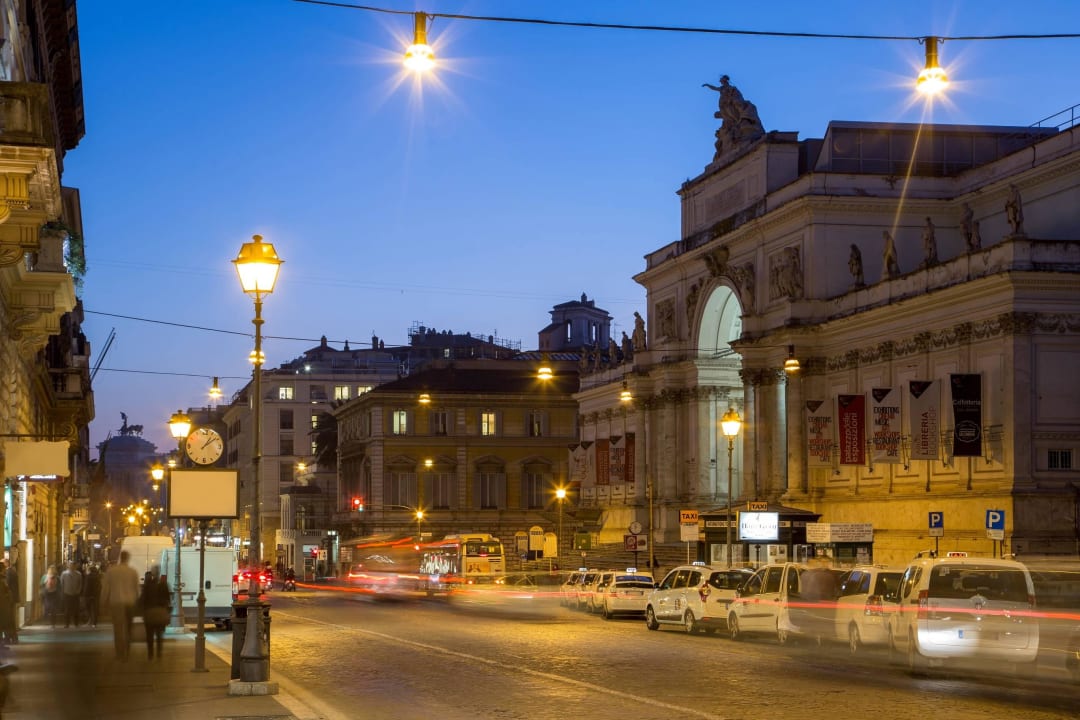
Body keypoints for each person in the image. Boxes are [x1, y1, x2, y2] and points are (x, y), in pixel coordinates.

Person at [100, 551, 139, 660]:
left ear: (120, 557)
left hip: (116, 603)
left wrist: (102, 602)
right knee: (128, 628)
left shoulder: (111, 571)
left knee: (118, 629)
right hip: (129, 603)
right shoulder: (133, 572)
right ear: (128, 558)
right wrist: (136, 602)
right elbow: (137, 589)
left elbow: (105, 589)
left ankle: (119, 652)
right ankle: (127, 650)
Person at [139, 570, 170, 659]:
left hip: (149, 613)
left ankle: (150, 654)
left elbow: (142, 600)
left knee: (149, 634)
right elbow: (168, 600)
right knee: (159, 634)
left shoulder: (147, 586)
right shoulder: (163, 585)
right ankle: (159, 653)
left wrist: (142, 612)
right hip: (160, 613)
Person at [59, 561, 83, 628]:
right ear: (68, 566)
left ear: (75, 566)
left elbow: (80, 583)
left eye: (73, 565)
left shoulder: (78, 574)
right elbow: (61, 583)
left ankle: (76, 623)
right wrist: (63, 592)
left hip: (75, 594)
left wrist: (78, 591)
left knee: (76, 609)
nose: (72, 566)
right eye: (70, 565)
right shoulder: (64, 574)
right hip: (67, 593)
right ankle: (67, 623)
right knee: (67, 609)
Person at [83, 564, 101, 628]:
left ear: (90, 570)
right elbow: (99, 587)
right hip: (96, 595)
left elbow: (87, 586)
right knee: (95, 610)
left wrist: (85, 594)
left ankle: (90, 620)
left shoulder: (88, 576)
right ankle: (94, 623)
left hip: (88, 595)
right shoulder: (98, 577)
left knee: (88, 608)